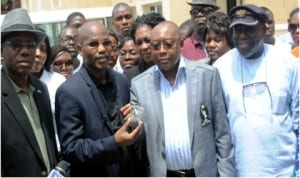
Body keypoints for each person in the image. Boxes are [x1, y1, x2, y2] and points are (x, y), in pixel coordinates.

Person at [130, 21, 235, 177]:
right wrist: (132, 124)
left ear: (180, 44)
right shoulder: (139, 85)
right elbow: (138, 134)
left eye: (168, 44)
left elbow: (222, 134)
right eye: (156, 46)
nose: (162, 51)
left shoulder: (207, 76)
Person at [213, 4, 299, 176]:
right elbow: (219, 128)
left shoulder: (288, 63)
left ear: (263, 29)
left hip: (284, 170)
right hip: (240, 169)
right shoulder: (220, 68)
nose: (242, 36)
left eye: (249, 30)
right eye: (237, 30)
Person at [55, 20, 143, 177]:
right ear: (80, 49)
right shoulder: (69, 91)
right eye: (93, 44)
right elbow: (71, 149)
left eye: (107, 43)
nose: (102, 49)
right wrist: (114, 142)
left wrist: (135, 118)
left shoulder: (121, 80)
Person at [1, 8, 58, 176]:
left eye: (31, 45)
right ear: (1, 49)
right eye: (16, 45)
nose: (25, 51)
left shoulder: (41, 89)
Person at [31, 28, 66, 152]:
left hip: (57, 150)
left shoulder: (59, 82)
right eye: (33, 47)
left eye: (43, 49)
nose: (38, 54)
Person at [124, 12, 165, 83]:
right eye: (139, 43)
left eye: (148, 40)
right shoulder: (130, 77)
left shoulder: (179, 70)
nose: (144, 47)